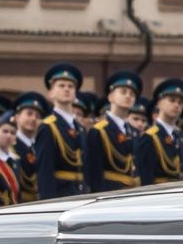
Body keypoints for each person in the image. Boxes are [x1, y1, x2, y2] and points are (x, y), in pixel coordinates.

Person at [34, 64, 87, 200]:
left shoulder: (79, 128)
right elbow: (45, 171)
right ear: (51, 93)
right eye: (61, 86)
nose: (66, 89)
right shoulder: (48, 127)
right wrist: (49, 204)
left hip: (81, 193)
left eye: (70, 86)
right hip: (60, 194)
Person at [90, 72, 144, 193]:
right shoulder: (99, 130)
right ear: (111, 97)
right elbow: (94, 172)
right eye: (123, 92)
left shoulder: (134, 132)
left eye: (132, 94)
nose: (128, 96)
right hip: (109, 193)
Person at [138, 79, 183, 183]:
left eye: (180, 102)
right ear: (159, 103)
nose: (176, 105)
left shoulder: (180, 136)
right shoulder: (150, 136)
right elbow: (146, 177)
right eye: (171, 100)